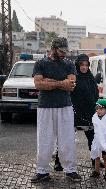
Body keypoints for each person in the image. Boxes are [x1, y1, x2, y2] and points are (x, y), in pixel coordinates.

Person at [31, 37, 81, 182]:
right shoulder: (41, 63)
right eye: (61, 51)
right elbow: (38, 85)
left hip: (65, 106)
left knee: (67, 139)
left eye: (65, 51)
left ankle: (70, 170)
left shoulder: (69, 64)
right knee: (44, 139)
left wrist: (49, 81)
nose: (64, 54)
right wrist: (60, 83)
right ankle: (42, 171)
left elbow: (71, 85)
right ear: (53, 48)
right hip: (45, 107)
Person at [90, 99, 106, 179]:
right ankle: (96, 171)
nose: (98, 110)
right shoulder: (95, 117)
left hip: (105, 141)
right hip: (97, 140)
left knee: (105, 157)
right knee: (97, 156)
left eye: (101, 109)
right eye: (97, 108)